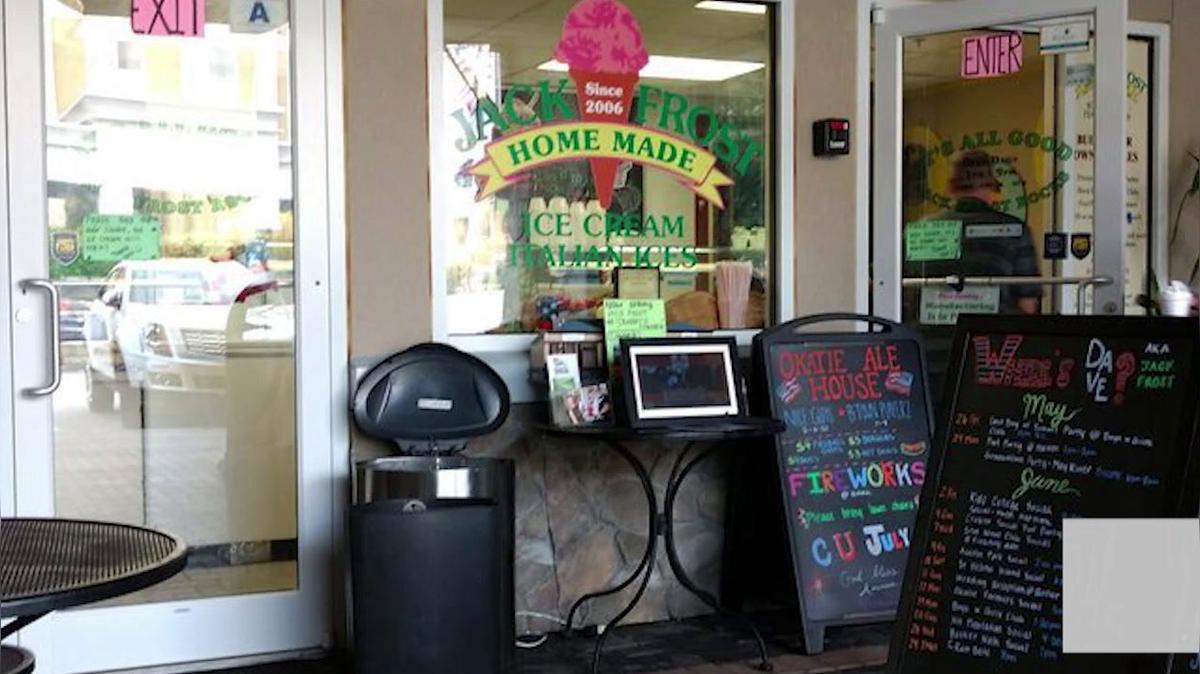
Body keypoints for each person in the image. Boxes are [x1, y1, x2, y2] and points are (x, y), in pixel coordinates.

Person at [904, 150, 1042, 318]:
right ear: (992, 186)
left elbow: (885, 285)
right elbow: (1027, 305)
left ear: (950, 186)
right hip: (990, 338)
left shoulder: (921, 230)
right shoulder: (1015, 231)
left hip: (928, 339)